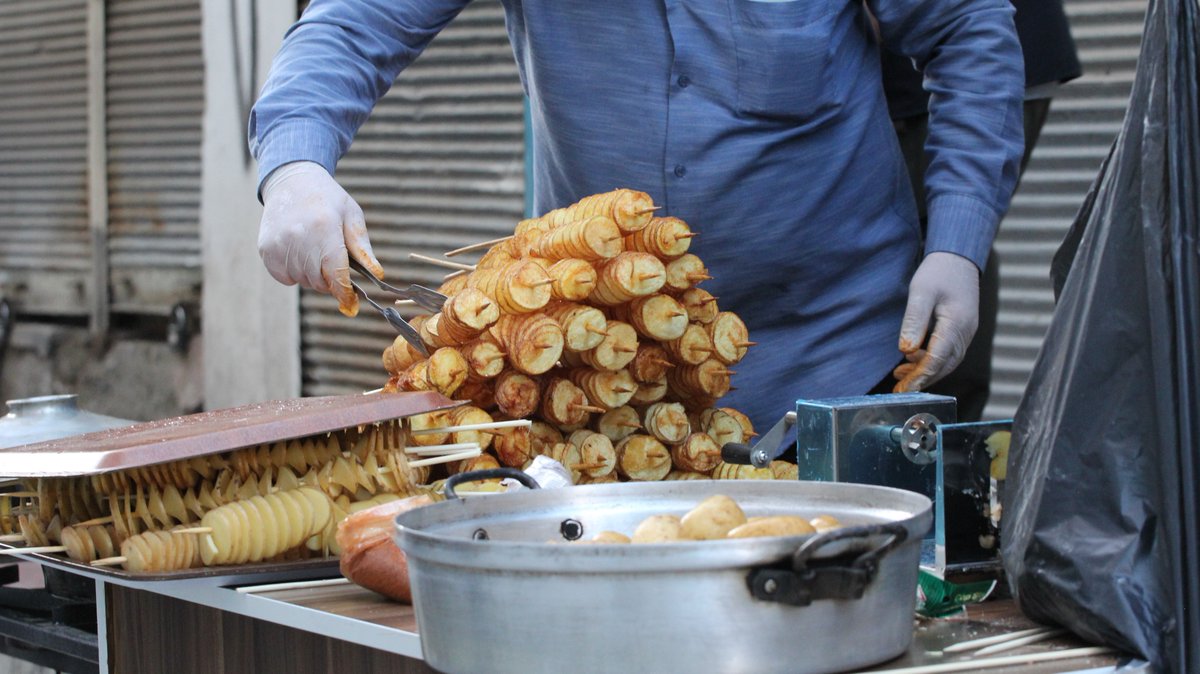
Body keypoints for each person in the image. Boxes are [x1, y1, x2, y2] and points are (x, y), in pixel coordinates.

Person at [250, 0, 1025, 431]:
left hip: (845, 361)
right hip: (609, 380)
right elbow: (354, 25)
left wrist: (958, 240)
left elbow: (966, 29)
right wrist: (295, 166)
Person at [881, 0, 1081, 420]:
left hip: (973, 58)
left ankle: (941, 449)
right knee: (942, 254)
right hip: (937, 59)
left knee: (942, 253)